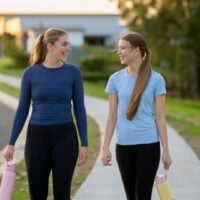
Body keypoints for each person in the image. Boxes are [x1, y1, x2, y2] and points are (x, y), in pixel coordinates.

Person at [3, 28, 88, 200]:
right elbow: (22, 110)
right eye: (64, 44)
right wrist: (11, 142)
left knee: (62, 194)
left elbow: (79, 109)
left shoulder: (73, 72)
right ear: (50, 46)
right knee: (37, 193)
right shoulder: (30, 74)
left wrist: (84, 143)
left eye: (69, 44)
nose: (68, 48)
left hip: (65, 136)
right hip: (37, 138)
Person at [101, 32, 172, 200]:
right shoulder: (115, 79)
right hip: (124, 145)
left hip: (149, 145)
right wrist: (105, 148)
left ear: (137, 51)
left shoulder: (156, 79)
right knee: (130, 195)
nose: (119, 52)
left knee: (143, 195)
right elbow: (112, 116)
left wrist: (166, 150)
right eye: (119, 48)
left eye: (123, 48)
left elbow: (161, 117)